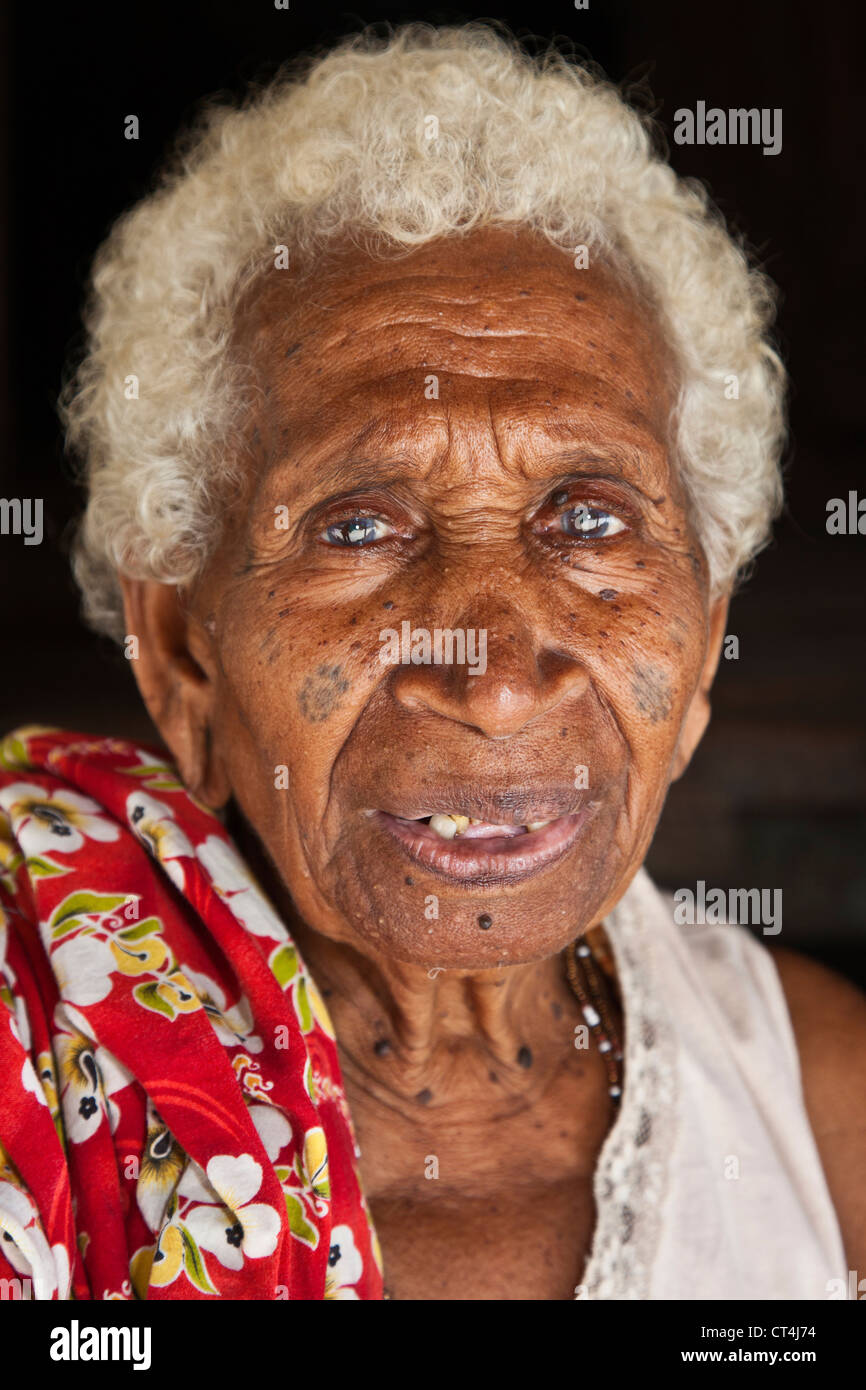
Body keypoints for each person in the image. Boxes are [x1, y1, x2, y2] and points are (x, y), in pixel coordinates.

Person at [1, 22, 863, 1301]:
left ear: (697, 650)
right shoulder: (35, 1046)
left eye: (588, 520)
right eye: (358, 525)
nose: (497, 676)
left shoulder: (821, 1102)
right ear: (182, 648)